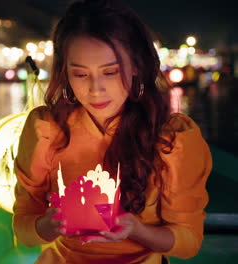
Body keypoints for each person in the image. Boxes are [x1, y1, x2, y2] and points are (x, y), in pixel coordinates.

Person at [12, 0, 212, 263]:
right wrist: (44, 227)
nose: (96, 89)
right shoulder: (47, 129)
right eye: (81, 74)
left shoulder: (172, 139)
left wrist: (137, 230)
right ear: (65, 73)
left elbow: (188, 242)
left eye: (110, 72)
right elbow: (22, 227)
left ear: (137, 66)